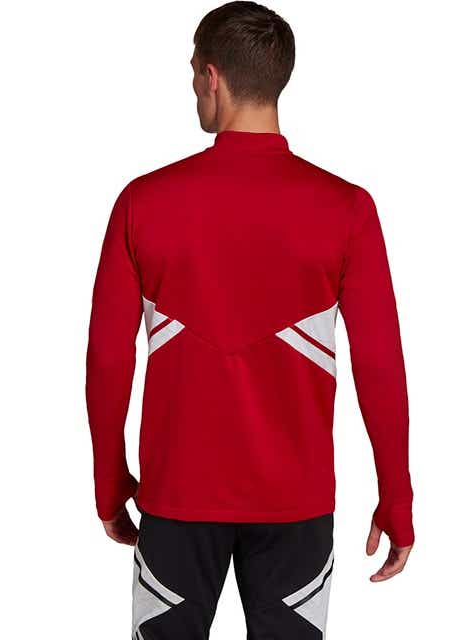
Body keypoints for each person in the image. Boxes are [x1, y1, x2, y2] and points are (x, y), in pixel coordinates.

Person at [86, 2, 414, 638]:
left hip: (177, 499)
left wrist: (109, 482)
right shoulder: (347, 208)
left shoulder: (142, 202)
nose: (193, 90)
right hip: (296, 504)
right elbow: (381, 364)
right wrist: (395, 496)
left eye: (192, 74)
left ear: (211, 77)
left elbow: (107, 358)